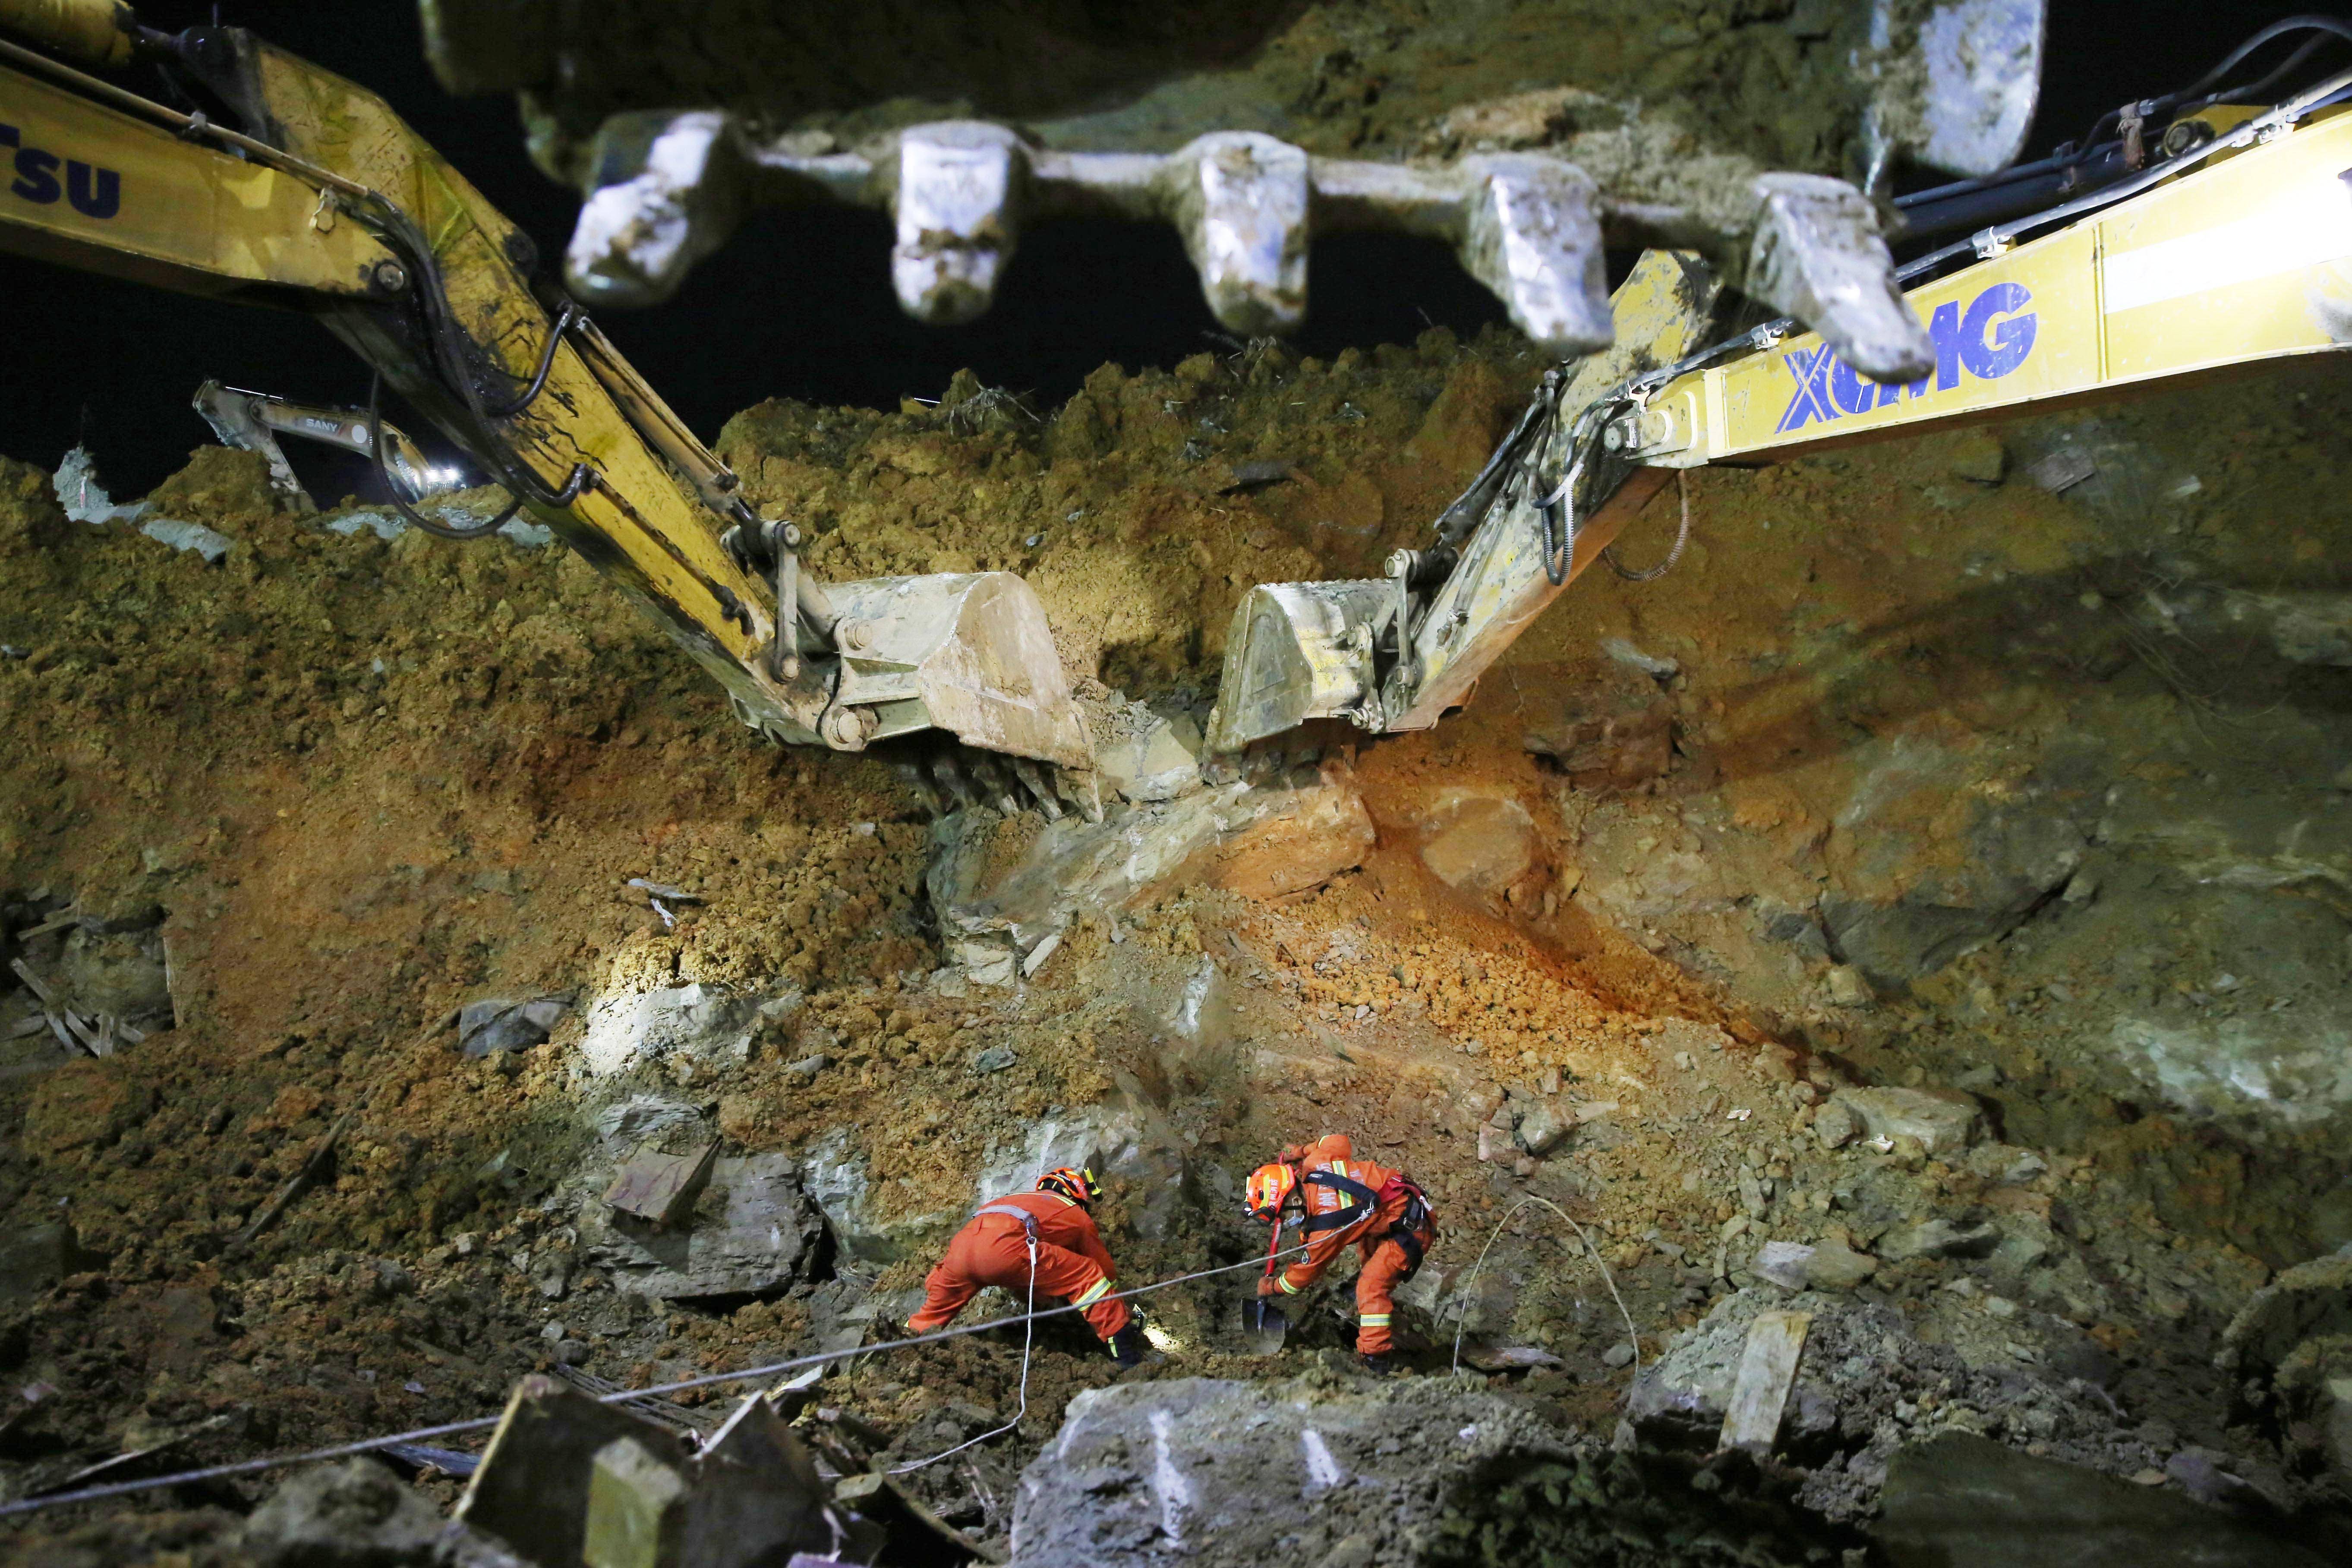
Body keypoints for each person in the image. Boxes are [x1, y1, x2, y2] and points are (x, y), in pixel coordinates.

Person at [907, 1166, 1147, 1366]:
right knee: (1090, 1274)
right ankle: (1127, 1356)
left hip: (960, 1250)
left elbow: (1030, 1278)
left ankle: (899, 1350)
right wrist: (1118, 1303)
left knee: (930, 1315)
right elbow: (1103, 1269)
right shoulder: (1073, 1211)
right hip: (1006, 1251)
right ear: (1076, 1195)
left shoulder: (1015, 1200)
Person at [1245, 1133, 1436, 1374]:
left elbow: (1304, 1276)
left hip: (1412, 1231)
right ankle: (1369, 1312)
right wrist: (1303, 1150)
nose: (1281, 1222)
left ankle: (1374, 1360)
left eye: (1280, 1214)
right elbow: (1337, 1140)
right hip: (1394, 1209)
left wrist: (1273, 1287)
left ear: (1293, 1198)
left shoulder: (1326, 1228)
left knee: (1371, 1286)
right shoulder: (1316, 1163)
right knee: (1367, 1262)